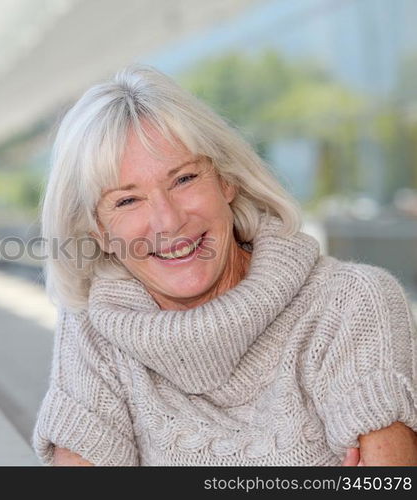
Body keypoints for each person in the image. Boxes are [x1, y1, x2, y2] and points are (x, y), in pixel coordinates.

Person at [31, 64, 417, 466]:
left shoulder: (352, 303)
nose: (169, 220)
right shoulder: (93, 329)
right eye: (127, 201)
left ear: (226, 181)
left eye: (183, 179)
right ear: (100, 233)